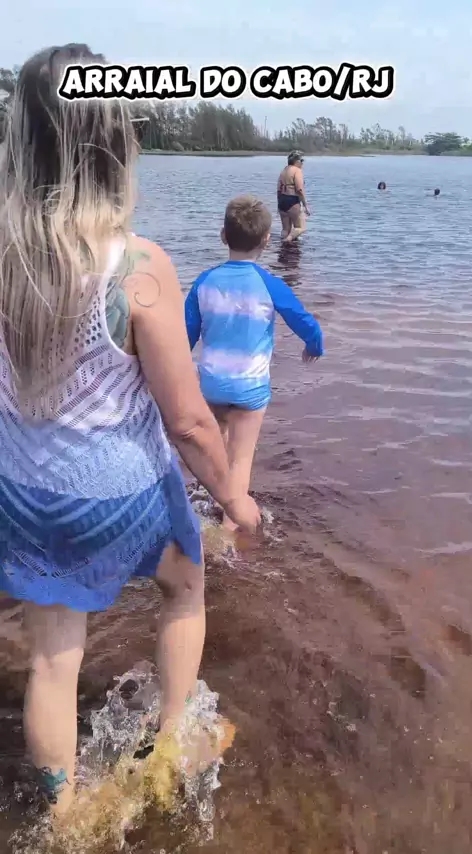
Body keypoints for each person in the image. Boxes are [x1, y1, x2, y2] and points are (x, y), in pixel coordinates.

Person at [0, 45, 260, 815]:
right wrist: (234, 499)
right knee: (184, 588)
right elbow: (188, 421)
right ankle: (171, 746)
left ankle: (64, 812)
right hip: (116, 488)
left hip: (23, 486)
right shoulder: (137, 265)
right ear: (113, 142)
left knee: (53, 657)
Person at [184, 195, 323, 529]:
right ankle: (228, 533)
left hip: (211, 385)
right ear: (266, 240)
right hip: (250, 390)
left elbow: (185, 336)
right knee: (240, 461)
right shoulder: (269, 284)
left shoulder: (204, 282)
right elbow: (304, 320)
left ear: (223, 236)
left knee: (215, 453)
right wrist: (314, 345)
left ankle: (207, 508)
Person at [277, 151, 310, 242]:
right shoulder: (297, 171)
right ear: (297, 161)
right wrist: (306, 205)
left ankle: (283, 246)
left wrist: (279, 204)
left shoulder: (284, 171)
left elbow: (279, 189)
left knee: (285, 230)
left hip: (282, 200)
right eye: (301, 161)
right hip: (292, 200)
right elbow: (299, 189)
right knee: (300, 228)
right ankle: (287, 241)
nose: (302, 163)